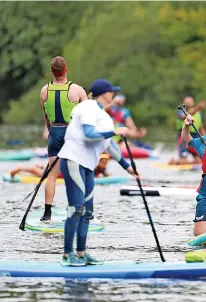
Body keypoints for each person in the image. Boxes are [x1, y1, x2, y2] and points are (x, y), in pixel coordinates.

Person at [57, 79, 137, 266]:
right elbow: (89, 134)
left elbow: (109, 147)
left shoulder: (104, 116)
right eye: (112, 92)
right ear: (104, 93)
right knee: (76, 208)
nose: (114, 95)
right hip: (72, 160)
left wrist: (128, 167)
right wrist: (116, 131)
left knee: (87, 212)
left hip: (87, 165)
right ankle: (67, 256)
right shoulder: (87, 107)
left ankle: (82, 253)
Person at [40, 56, 87, 222]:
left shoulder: (44, 90)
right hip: (71, 134)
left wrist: (51, 130)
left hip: (54, 132)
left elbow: (46, 116)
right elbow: (86, 117)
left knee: (52, 176)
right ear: (66, 69)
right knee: (76, 174)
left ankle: (47, 213)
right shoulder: (77, 90)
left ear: (52, 71)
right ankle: (78, 210)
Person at [170, 96, 206, 165]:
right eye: (187, 102)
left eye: (190, 102)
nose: (188, 103)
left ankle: (190, 163)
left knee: (199, 161)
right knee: (183, 161)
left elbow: (201, 128)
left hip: (195, 137)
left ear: (193, 102)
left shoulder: (199, 113)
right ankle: (174, 162)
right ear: (184, 103)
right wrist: (198, 108)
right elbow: (184, 117)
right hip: (184, 138)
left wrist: (205, 140)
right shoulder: (181, 111)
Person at [8, 155, 111, 179]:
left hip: (63, 172)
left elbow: (106, 175)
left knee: (44, 171)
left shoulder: (101, 169)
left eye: (106, 162)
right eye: (103, 162)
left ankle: (39, 166)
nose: (105, 164)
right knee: (42, 174)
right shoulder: (92, 167)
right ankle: (20, 167)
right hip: (61, 173)